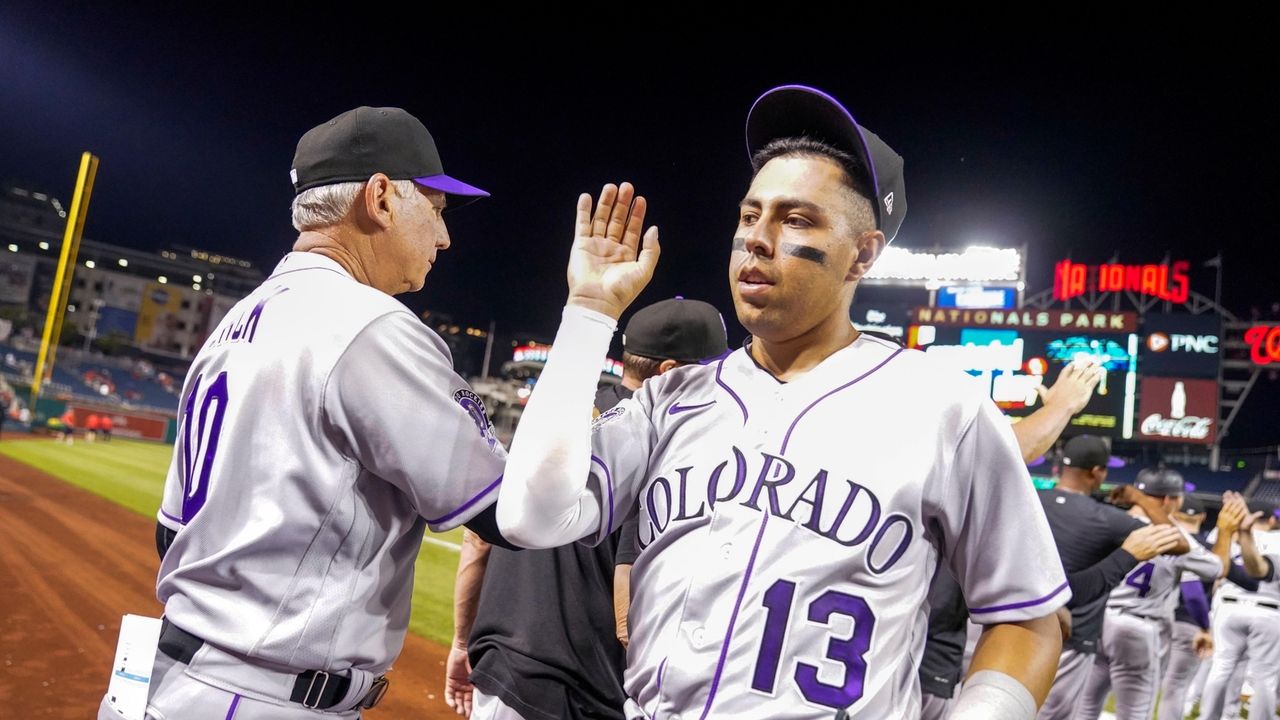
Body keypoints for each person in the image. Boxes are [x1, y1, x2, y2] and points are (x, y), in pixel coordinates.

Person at [496, 84, 1069, 719]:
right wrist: (589, 311)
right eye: (749, 216)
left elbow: (1030, 620)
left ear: (863, 254)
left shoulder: (944, 410)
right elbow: (529, 517)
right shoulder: (669, 402)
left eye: (796, 219)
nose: (758, 240)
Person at [98, 105, 509, 720]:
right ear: (380, 199)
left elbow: (170, 531)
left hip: (170, 675)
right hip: (259, 697)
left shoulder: (240, 318)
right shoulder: (370, 325)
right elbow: (504, 511)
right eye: (436, 209)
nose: (444, 237)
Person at [447, 297, 729, 719]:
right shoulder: (659, 446)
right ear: (671, 373)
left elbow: (478, 539)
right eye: (712, 370)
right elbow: (626, 609)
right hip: (579, 692)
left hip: (501, 671)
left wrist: (461, 643)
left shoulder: (561, 420)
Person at [1034, 438, 1191, 720]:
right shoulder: (1106, 518)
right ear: (1097, 472)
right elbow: (1178, 543)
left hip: (1013, 621)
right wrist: (1140, 499)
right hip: (1072, 632)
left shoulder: (1030, 500)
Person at [1072, 469, 1229, 720]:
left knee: (1085, 703)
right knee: (1135, 711)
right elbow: (1216, 568)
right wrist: (1227, 531)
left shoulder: (1111, 520)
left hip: (1097, 620)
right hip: (1138, 626)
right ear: (1169, 500)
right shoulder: (1173, 536)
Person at [1196, 501, 1280, 720]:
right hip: (1269, 609)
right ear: (1271, 519)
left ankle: (1211, 716)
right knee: (1265, 677)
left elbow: (1214, 564)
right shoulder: (1278, 538)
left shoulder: (1228, 532)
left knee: (1220, 668)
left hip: (1228, 606)